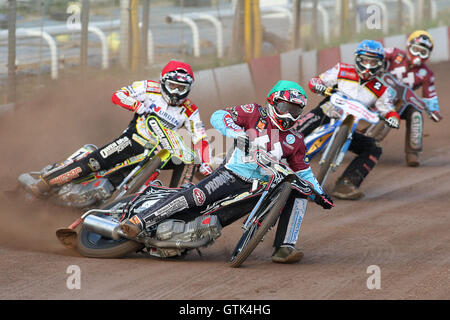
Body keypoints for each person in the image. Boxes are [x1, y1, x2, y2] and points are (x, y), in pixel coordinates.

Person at [120, 80, 334, 264]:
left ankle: (285, 247)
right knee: (197, 197)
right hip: (232, 174)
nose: (288, 114)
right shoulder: (254, 112)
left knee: (296, 190)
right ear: (273, 101)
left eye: (295, 110)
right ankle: (141, 220)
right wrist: (236, 133)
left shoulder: (295, 139)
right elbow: (219, 116)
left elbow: (303, 170)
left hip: (260, 188)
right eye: (285, 106)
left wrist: (320, 193)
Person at [30, 60, 213, 196]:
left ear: (189, 88)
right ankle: (44, 184)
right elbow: (118, 95)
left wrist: (205, 164)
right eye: (172, 85)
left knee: (189, 160)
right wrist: (136, 105)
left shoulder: (189, 110)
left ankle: (175, 203)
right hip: (133, 140)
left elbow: (200, 138)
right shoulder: (149, 88)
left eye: (181, 88)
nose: (175, 92)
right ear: (163, 81)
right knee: (94, 163)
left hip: (159, 154)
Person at [296, 40, 400, 200]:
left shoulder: (381, 89)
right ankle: (268, 166)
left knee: (374, 148)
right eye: (365, 60)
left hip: (350, 125)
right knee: (294, 133)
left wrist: (392, 118)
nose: (368, 65)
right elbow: (318, 80)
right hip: (327, 112)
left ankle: (347, 184)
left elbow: (389, 110)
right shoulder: (342, 69)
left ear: (380, 64)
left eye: (373, 62)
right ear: (358, 59)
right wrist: (318, 85)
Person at [384, 30, 442, 167]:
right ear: (408, 46)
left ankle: (413, 152)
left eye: (423, 53)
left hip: (402, 102)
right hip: (378, 92)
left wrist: (433, 111)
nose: (418, 56)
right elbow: (376, 54)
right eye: (416, 50)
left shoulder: (427, 74)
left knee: (416, 113)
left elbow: (430, 95)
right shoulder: (394, 53)